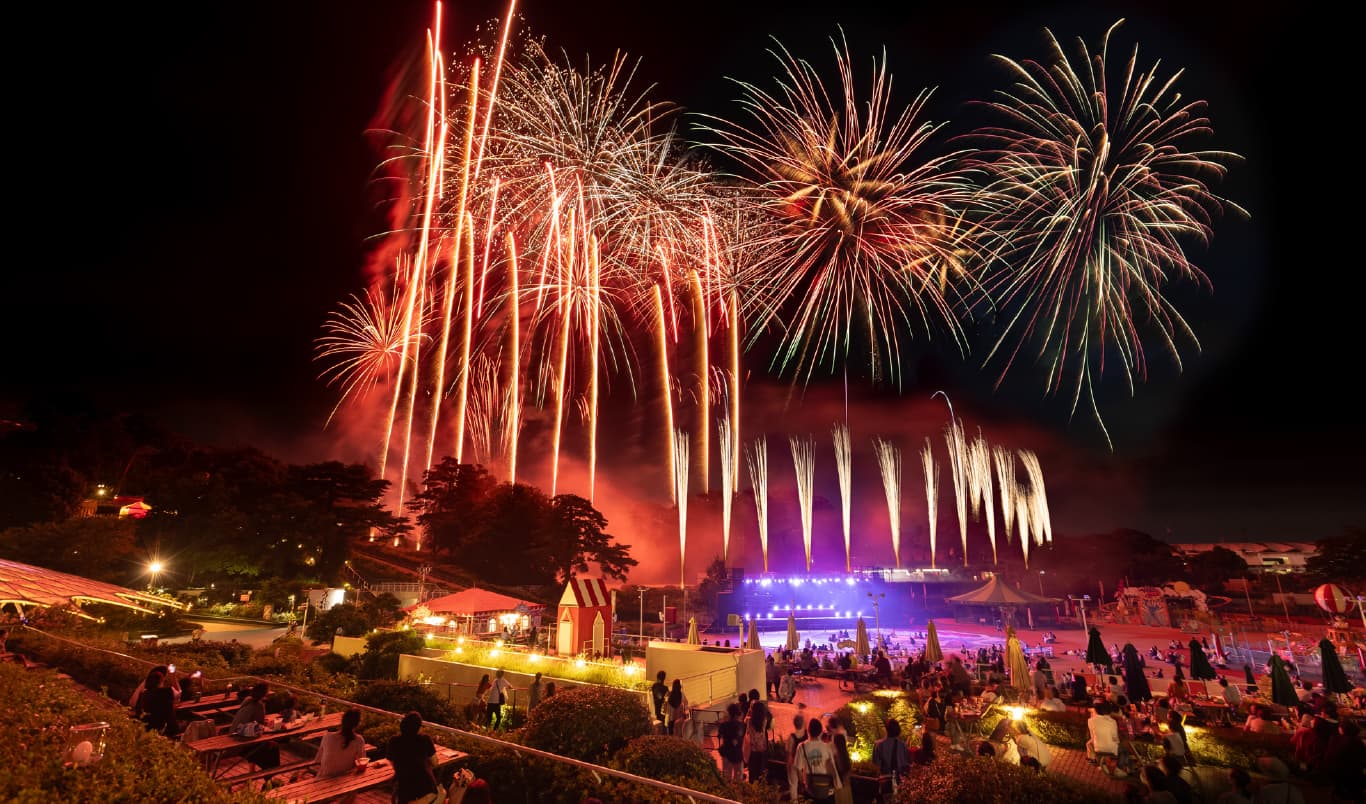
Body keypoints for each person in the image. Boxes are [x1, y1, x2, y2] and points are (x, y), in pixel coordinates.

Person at [387, 712, 441, 804]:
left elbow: (393, 762)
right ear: (418, 727)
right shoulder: (425, 739)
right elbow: (435, 762)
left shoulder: (393, 741)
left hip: (405, 792)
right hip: (426, 791)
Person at [795, 719, 840, 803]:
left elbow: (798, 769)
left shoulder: (802, 746)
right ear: (820, 732)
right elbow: (832, 767)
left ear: (808, 731)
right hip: (827, 790)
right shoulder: (827, 747)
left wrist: (803, 784)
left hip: (810, 790)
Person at [315, 708, 365, 778]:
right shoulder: (359, 740)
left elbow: (318, 759)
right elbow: (361, 763)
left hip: (323, 778)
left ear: (342, 721)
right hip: (345, 780)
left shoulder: (328, 737)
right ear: (357, 724)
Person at [138, 671, 179, 737]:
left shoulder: (145, 693)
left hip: (149, 727)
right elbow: (179, 693)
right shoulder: (166, 691)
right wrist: (173, 676)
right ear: (161, 681)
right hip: (166, 727)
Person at [873, 718, 912, 786]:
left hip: (885, 780)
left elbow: (876, 763)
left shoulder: (878, 744)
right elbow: (907, 763)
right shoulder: (903, 745)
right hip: (900, 780)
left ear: (886, 729)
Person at [1087, 702, 1121, 776]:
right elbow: (1115, 737)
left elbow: (1092, 736)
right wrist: (1117, 742)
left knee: (1090, 743)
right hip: (1111, 748)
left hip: (1097, 747)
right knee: (1123, 749)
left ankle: (1098, 762)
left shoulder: (1090, 721)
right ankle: (1118, 768)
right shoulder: (1112, 722)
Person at [717, 703, 746, 781]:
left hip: (727, 753)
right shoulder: (742, 725)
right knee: (738, 778)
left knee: (726, 778)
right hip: (738, 754)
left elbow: (719, 735)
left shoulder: (724, 725)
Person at [743, 701, 769, 783]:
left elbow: (744, 720)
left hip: (753, 750)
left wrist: (749, 711)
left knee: (752, 773)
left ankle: (753, 788)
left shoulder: (749, 721)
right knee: (760, 772)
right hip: (762, 749)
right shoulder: (764, 720)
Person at [786, 712, 808, 802]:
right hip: (804, 764)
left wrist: (788, 766)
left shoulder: (792, 737)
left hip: (794, 763)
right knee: (805, 784)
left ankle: (794, 801)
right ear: (803, 723)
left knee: (793, 785)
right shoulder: (807, 735)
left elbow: (789, 753)